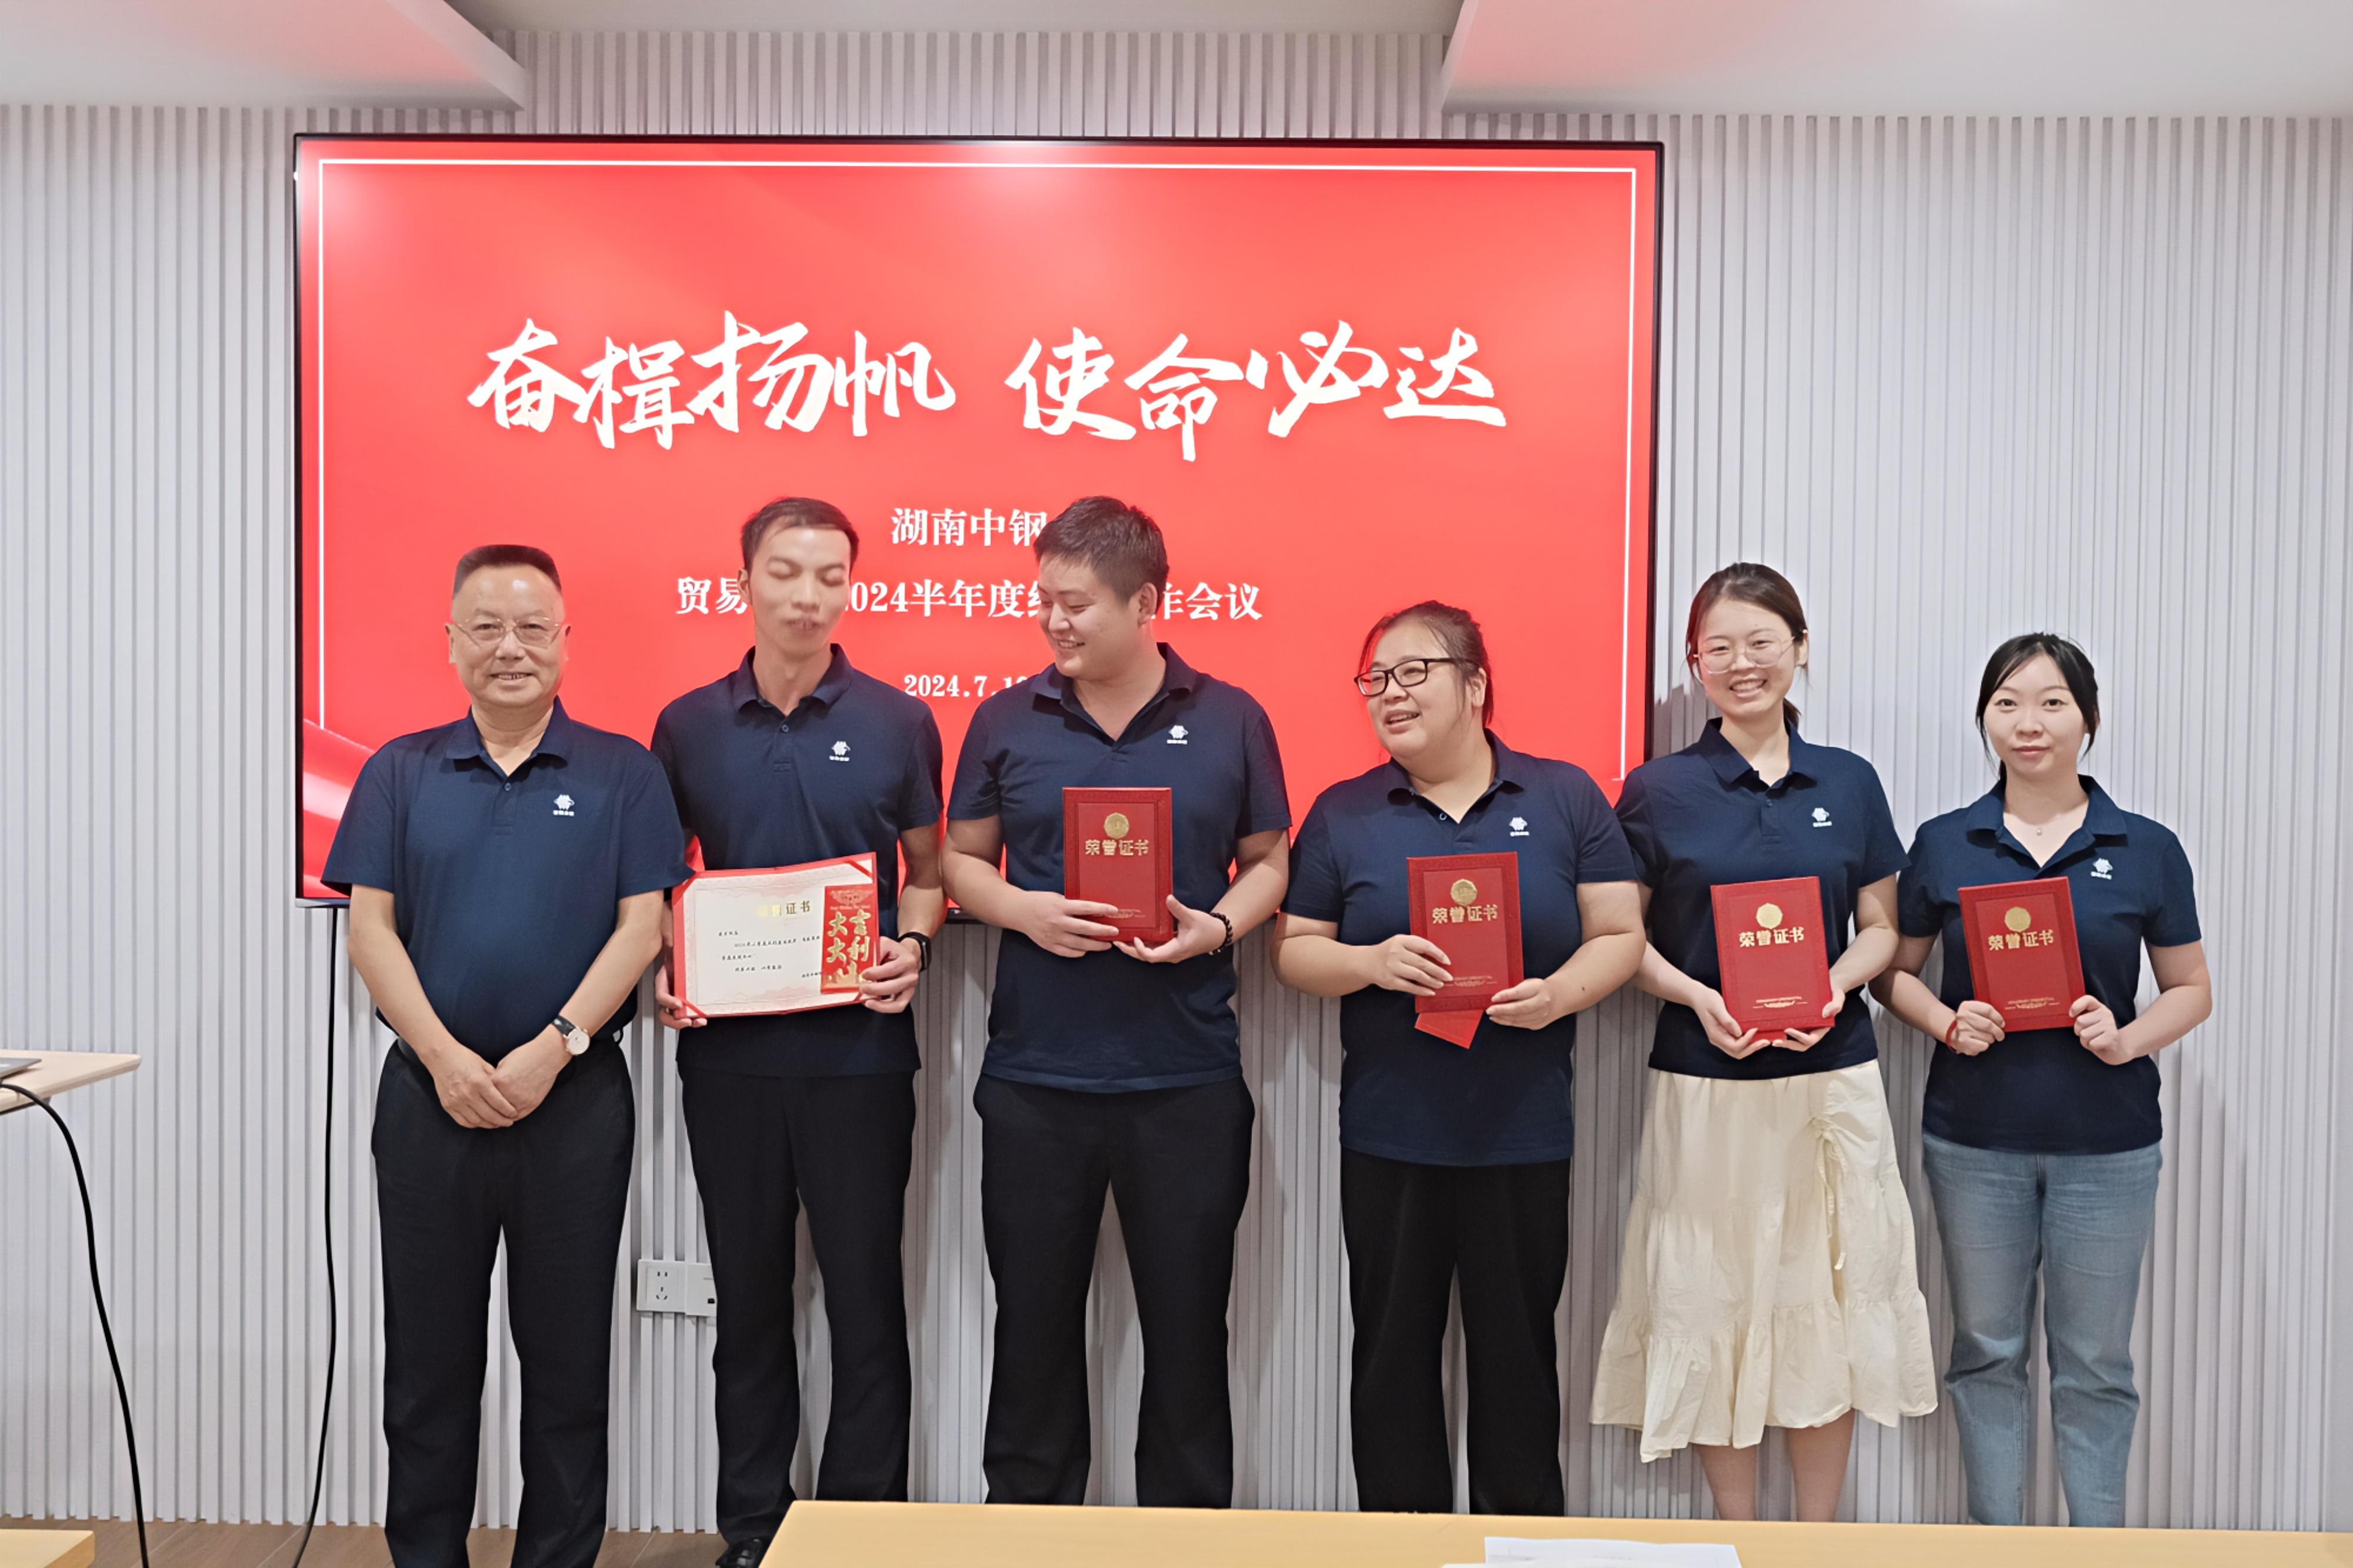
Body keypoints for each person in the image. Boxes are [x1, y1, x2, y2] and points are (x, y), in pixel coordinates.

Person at [325, 545, 687, 1568]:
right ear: (450, 642)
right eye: (486, 627)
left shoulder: (624, 771)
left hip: (573, 1103)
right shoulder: (399, 770)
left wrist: (553, 1049)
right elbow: (370, 931)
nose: (510, 648)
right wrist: (444, 1058)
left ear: (566, 641)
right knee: (427, 1367)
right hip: (427, 1101)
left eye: (532, 627)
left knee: (567, 1367)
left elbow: (644, 927)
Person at [940, 496, 1291, 1507]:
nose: (1054, 622)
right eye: (1044, 600)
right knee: (1032, 1328)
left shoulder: (1231, 718)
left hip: (1186, 1077)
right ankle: (1029, 1528)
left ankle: (1183, 1534)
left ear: (1146, 604)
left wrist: (1216, 928)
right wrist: (1024, 911)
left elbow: (1271, 861)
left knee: (1188, 1331)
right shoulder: (1006, 718)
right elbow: (961, 862)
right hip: (1036, 1077)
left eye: (1077, 603)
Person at [1271, 602, 1644, 1514]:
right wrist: (1370, 963)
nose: (1389, 693)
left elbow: (1620, 932)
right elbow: (1294, 951)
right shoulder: (1344, 811)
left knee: (1519, 1365)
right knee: (1391, 1364)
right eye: (1375, 678)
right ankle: (1401, 1545)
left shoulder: (1563, 798)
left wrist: (1559, 995)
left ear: (1475, 684)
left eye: (1413, 672)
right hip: (1392, 1135)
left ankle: (1518, 1545)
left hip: (1522, 1133)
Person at [1589, 562, 1937, 1521]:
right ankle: (1740, 1539)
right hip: (1708, 1078)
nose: (1742, 664)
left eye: (1762, 642)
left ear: (1800, 648)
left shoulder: (1850, 781)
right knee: (1714, 1298)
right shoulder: (1658, 789)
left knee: (1825, 1301)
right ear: (1694, 662)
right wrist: (1698, 995)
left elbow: (1881, 925)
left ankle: (1813, 1540)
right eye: (1720, 647)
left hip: (1832, 1079)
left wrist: (1834, 982)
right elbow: (1621, 938)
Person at [649, 499, 946, 1568]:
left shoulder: (900, 720)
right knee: (750, 1300)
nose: (808, 595)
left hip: (859, 1054)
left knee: (866, 1295)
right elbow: (659, 882)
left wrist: (915, 946)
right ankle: (755, 1529)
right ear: (744, 581)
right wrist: (669, 967)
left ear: (850, 587)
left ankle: (863, 1531)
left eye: (830, 575)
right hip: (727, 1057)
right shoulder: (687, 724)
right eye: (785, 572)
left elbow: (930, 870)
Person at [1870, 633, 2211, 1527]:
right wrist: (1947, 1021)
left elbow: (2192, 990)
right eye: (2009, 703)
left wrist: (2126, 1038)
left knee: (2095, 1364)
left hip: (2110, 1147)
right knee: (1986, 1353)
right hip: (1973, 1142)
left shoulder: (2146, 847)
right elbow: (1892, 975)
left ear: (2087, 720)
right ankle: (1999, 1542)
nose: (2030, 722)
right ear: (1986, 719)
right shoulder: (1946, 843)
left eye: (2053, 702)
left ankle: (2095, 1547)